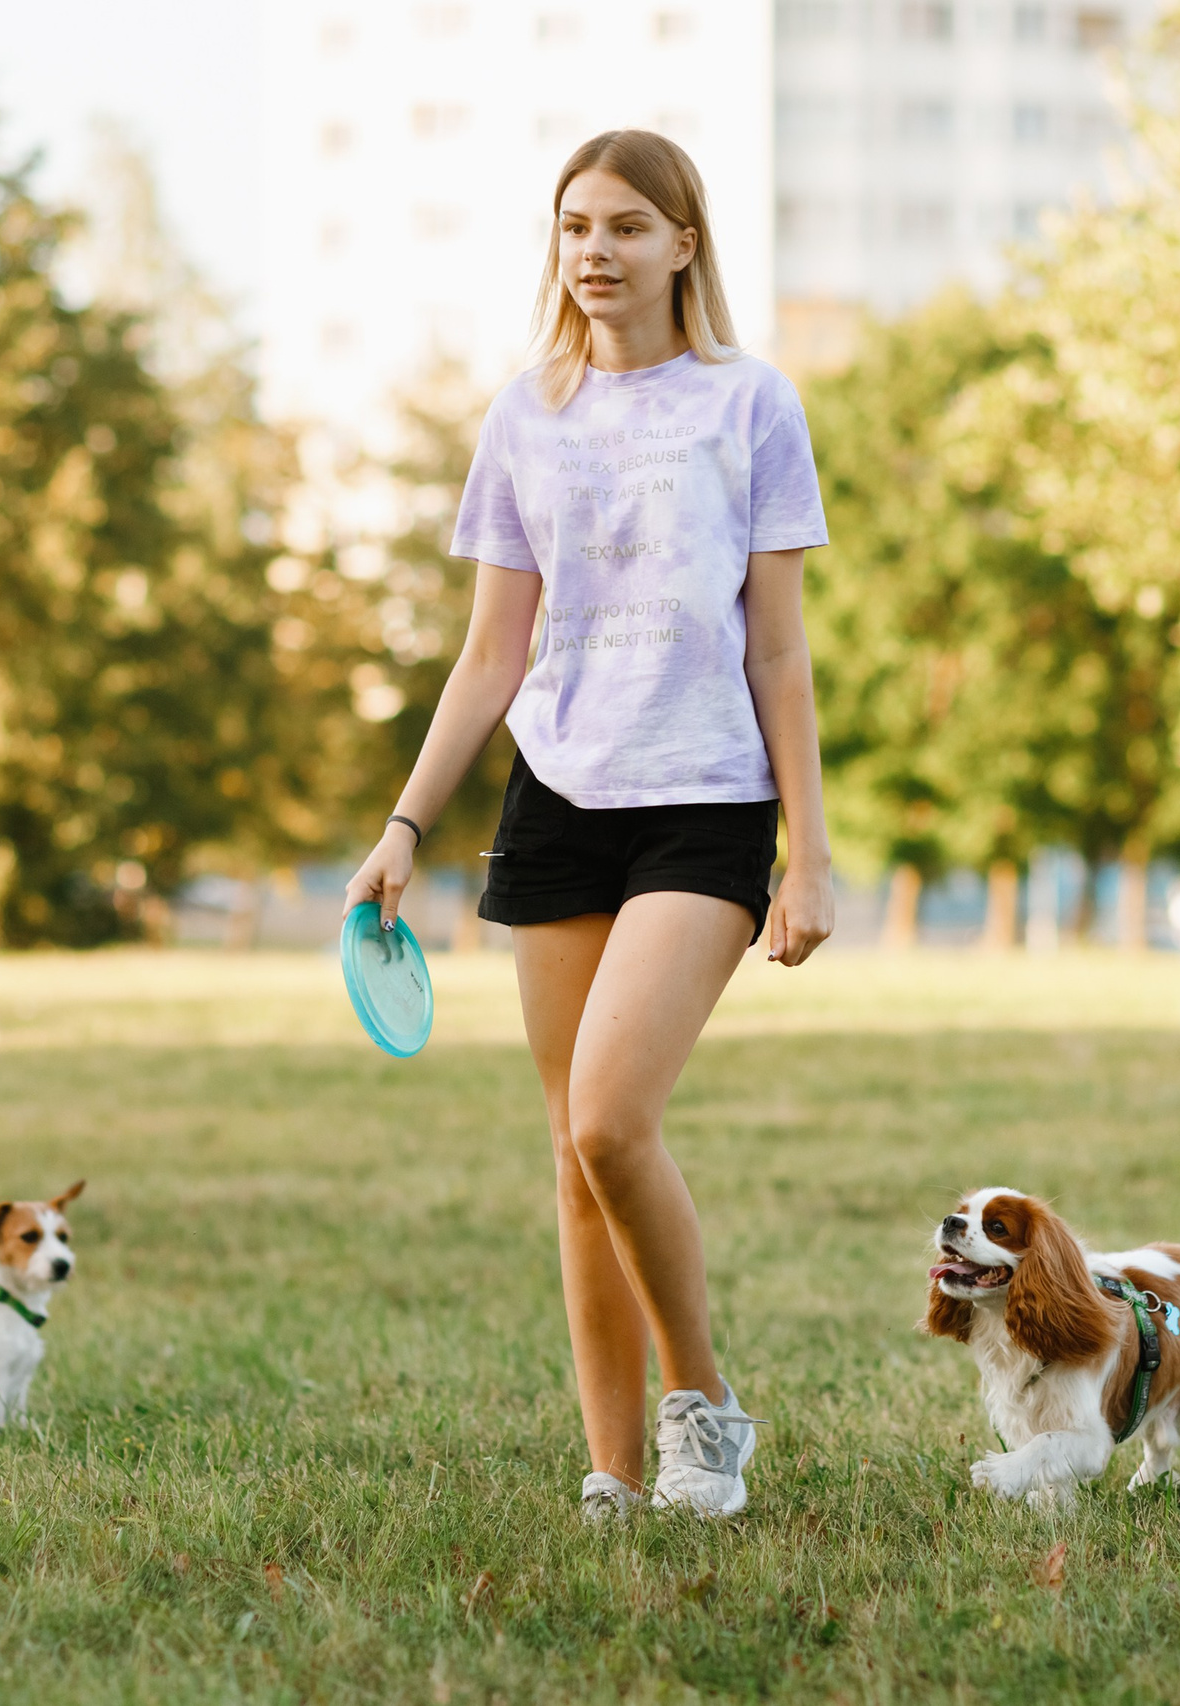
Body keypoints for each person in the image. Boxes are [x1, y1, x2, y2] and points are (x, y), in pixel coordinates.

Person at [342, 131, 834, 1519]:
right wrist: (404, 823)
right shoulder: (525, 414)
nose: (595, 251)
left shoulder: (751, 405)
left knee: (616, 1121)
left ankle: (706, 1405)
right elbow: (492, 651)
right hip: (558, 798)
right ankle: (614, 1467)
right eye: (573, 227)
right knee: (570, 1153)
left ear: (686, 242)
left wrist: (810, 850)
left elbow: (780, 652)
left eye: (625, 225)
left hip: (705, 800)